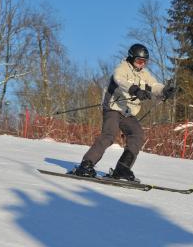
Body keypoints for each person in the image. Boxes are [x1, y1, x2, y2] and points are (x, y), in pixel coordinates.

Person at [71, 43, 175, 181]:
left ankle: (122, 168)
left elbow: (154, 85)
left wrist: (164, 90)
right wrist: (135, 90)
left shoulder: (144, 74)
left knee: (137, 135)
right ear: (131, 58)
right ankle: (86, 164)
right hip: (113, 108)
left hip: (128, 112)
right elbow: (120, 80)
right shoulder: (122, 68)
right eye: (139, 61)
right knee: (109, 134)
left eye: (144, 62)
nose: (141, 64)